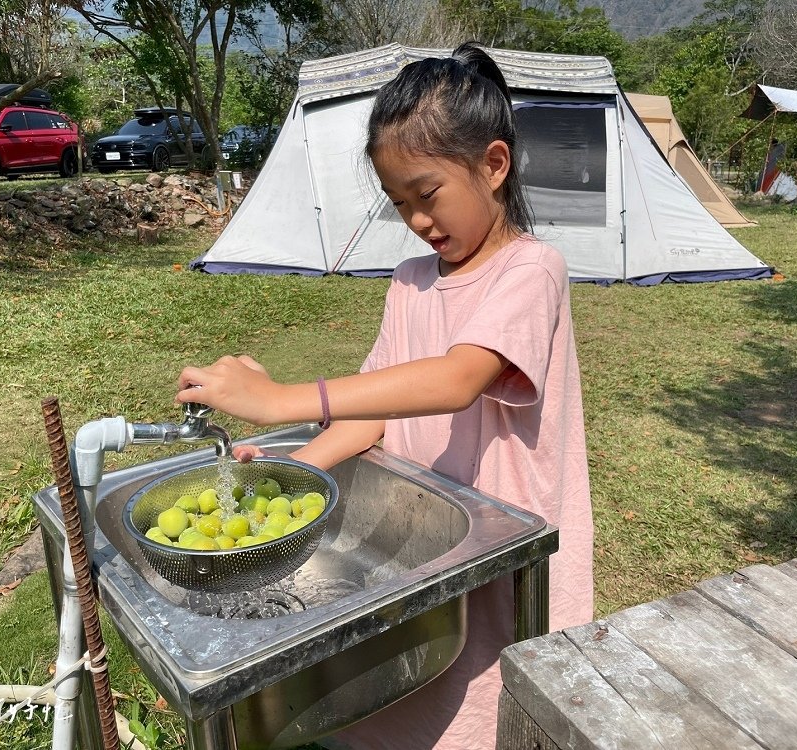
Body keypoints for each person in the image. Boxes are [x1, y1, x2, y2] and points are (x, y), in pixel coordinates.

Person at [176, 41, 594, 750]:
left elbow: (459, 380)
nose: (418, 221)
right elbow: (370, 415)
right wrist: (294, 467)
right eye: (400, 204)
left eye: (427, 195)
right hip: (431, 540)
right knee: (412, 706)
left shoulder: (532, 271)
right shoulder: (410, 281)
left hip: (505, 547)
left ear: (494, 166)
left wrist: (279, 398)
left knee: (493, 708)